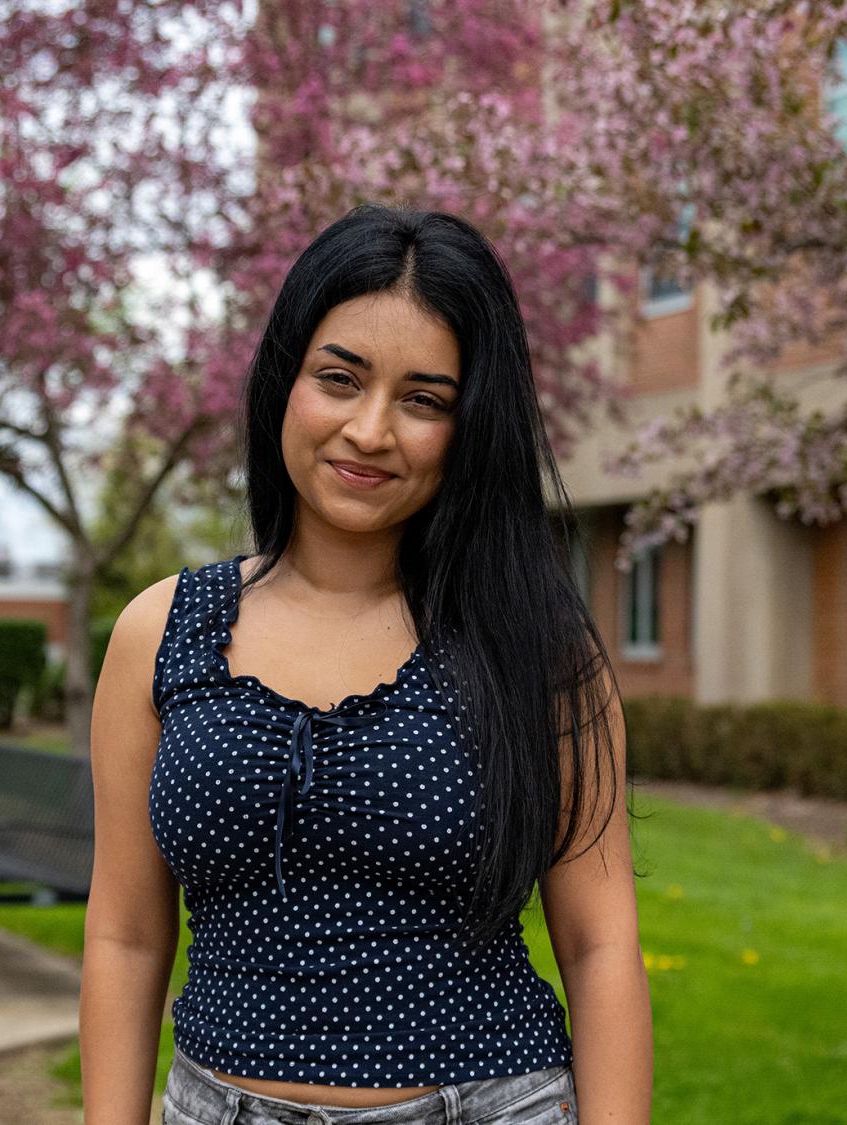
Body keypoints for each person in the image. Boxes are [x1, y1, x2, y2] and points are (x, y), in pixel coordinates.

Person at [80, 202, 653, 1124]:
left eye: (424, 399)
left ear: (469, 427)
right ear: (285, 382)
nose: (370, 429)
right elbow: (125, 935)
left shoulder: (536, 646)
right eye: (339, 379)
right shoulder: (163, 631)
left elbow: (600, 946)